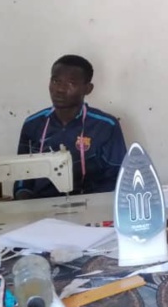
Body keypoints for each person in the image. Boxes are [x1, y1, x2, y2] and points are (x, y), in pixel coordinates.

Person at [14, 55, 127, 200]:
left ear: (88, 89)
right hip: (42, 206)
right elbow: (22, 175)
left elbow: (117, 176)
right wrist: (24, 203)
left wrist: (92, 204)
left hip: (92, 205)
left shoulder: (105, 126)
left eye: (71, 83)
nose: (60, 89)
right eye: (56, 81)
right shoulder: (33, 125)